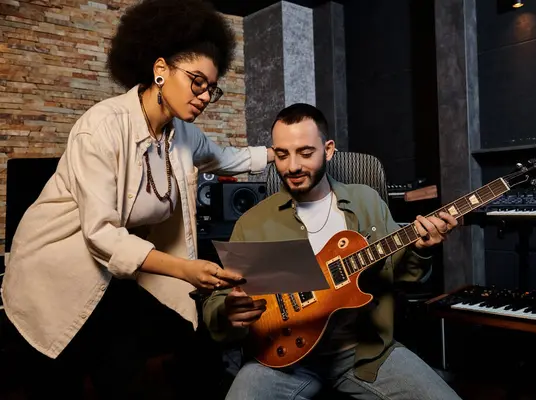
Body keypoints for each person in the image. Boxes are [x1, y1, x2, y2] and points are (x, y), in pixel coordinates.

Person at [0, 0, 274, 398]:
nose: (203, 95)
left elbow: (228, 156)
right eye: (196, 80)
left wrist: (281, 154)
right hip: (54, 271)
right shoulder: (101, 127)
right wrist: (183, 269)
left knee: (141, 359)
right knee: (59, 380)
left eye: (211, 89)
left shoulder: (183, 134)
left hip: (115, 275)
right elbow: (102, 235)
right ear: (160, 69)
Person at [203, 103, 462, 400]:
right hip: (282, 360)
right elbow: (219, 299)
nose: (292, 166)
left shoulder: (366, 201)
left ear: (327, 150)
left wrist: (420, 249)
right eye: (282, 155)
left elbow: (404, 277)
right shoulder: (253, 223)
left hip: (364, 351)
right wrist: (227, 311)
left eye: (305, 152)